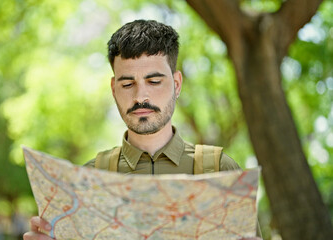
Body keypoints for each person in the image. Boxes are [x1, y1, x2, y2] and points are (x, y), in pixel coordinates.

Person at [23, 19, 252, 240]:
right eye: (127, 84)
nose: (140, 96)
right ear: (114, 89)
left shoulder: (221, 171)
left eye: (154, 81)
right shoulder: (87, 182)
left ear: (177, 84)